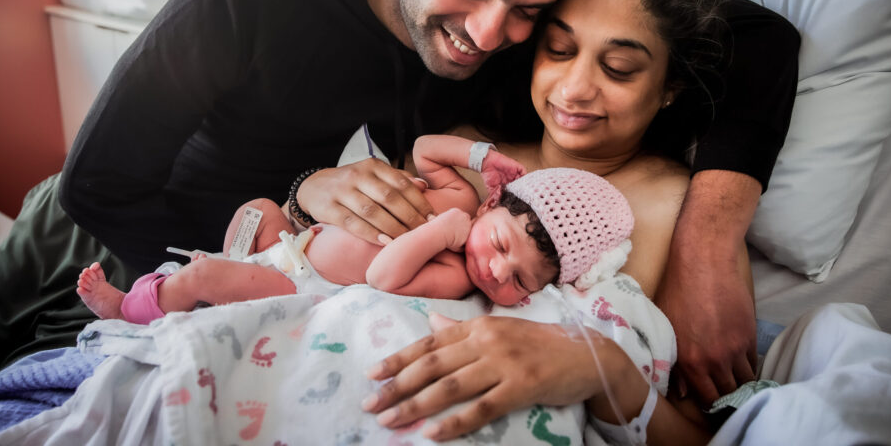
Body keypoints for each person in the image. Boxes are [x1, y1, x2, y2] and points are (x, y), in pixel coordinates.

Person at [0, 0, 798, 422]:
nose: (488, 35)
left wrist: (710, 238)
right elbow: (101, 183)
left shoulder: (524, 48)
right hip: (92, 230)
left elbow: (758, 38)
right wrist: (299, 196)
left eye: (529, 12)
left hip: (258, 268)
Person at [350, 0, 798, 446]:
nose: (576, 88)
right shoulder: (459, 155)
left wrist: (597, 367)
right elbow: (349, 277)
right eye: (559, 50)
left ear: (669, 88)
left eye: (620, 67)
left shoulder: (680, 213)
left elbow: (701, 441)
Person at [77, 135, 636, 321]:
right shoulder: (461, 195)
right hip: (289, 244)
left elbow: (384, 274)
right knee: (256, 210)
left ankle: (130, 308)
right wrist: (480, 152)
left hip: (302, 283)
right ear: (493, 203)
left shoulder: (454, 274)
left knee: (205, 279)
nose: (496, 273)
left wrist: (443, 235)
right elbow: (422, 149)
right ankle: (225, 282)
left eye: (520, 283)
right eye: (501, 247)